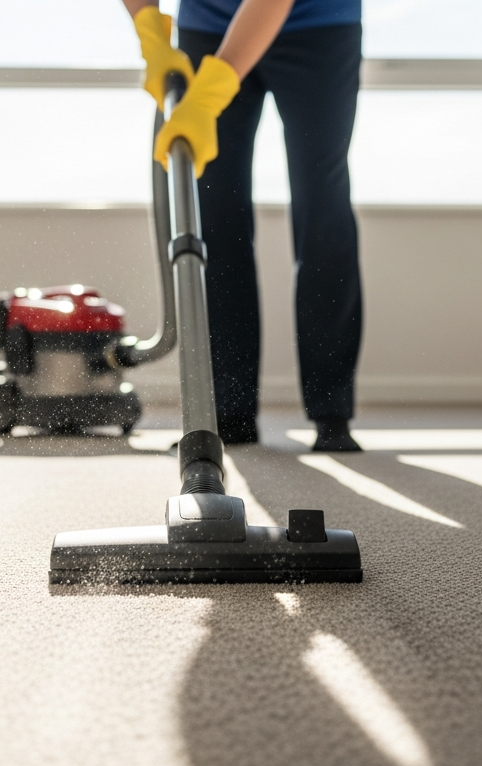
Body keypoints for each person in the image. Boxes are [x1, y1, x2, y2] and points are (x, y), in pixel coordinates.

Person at [122, 0, 363, 452]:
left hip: (318, 28)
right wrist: (150, 35)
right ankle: (228, 413)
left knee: (322, 209)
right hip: (208, 28)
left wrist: (210, 92)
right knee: (214, 218)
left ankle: (332, 411)